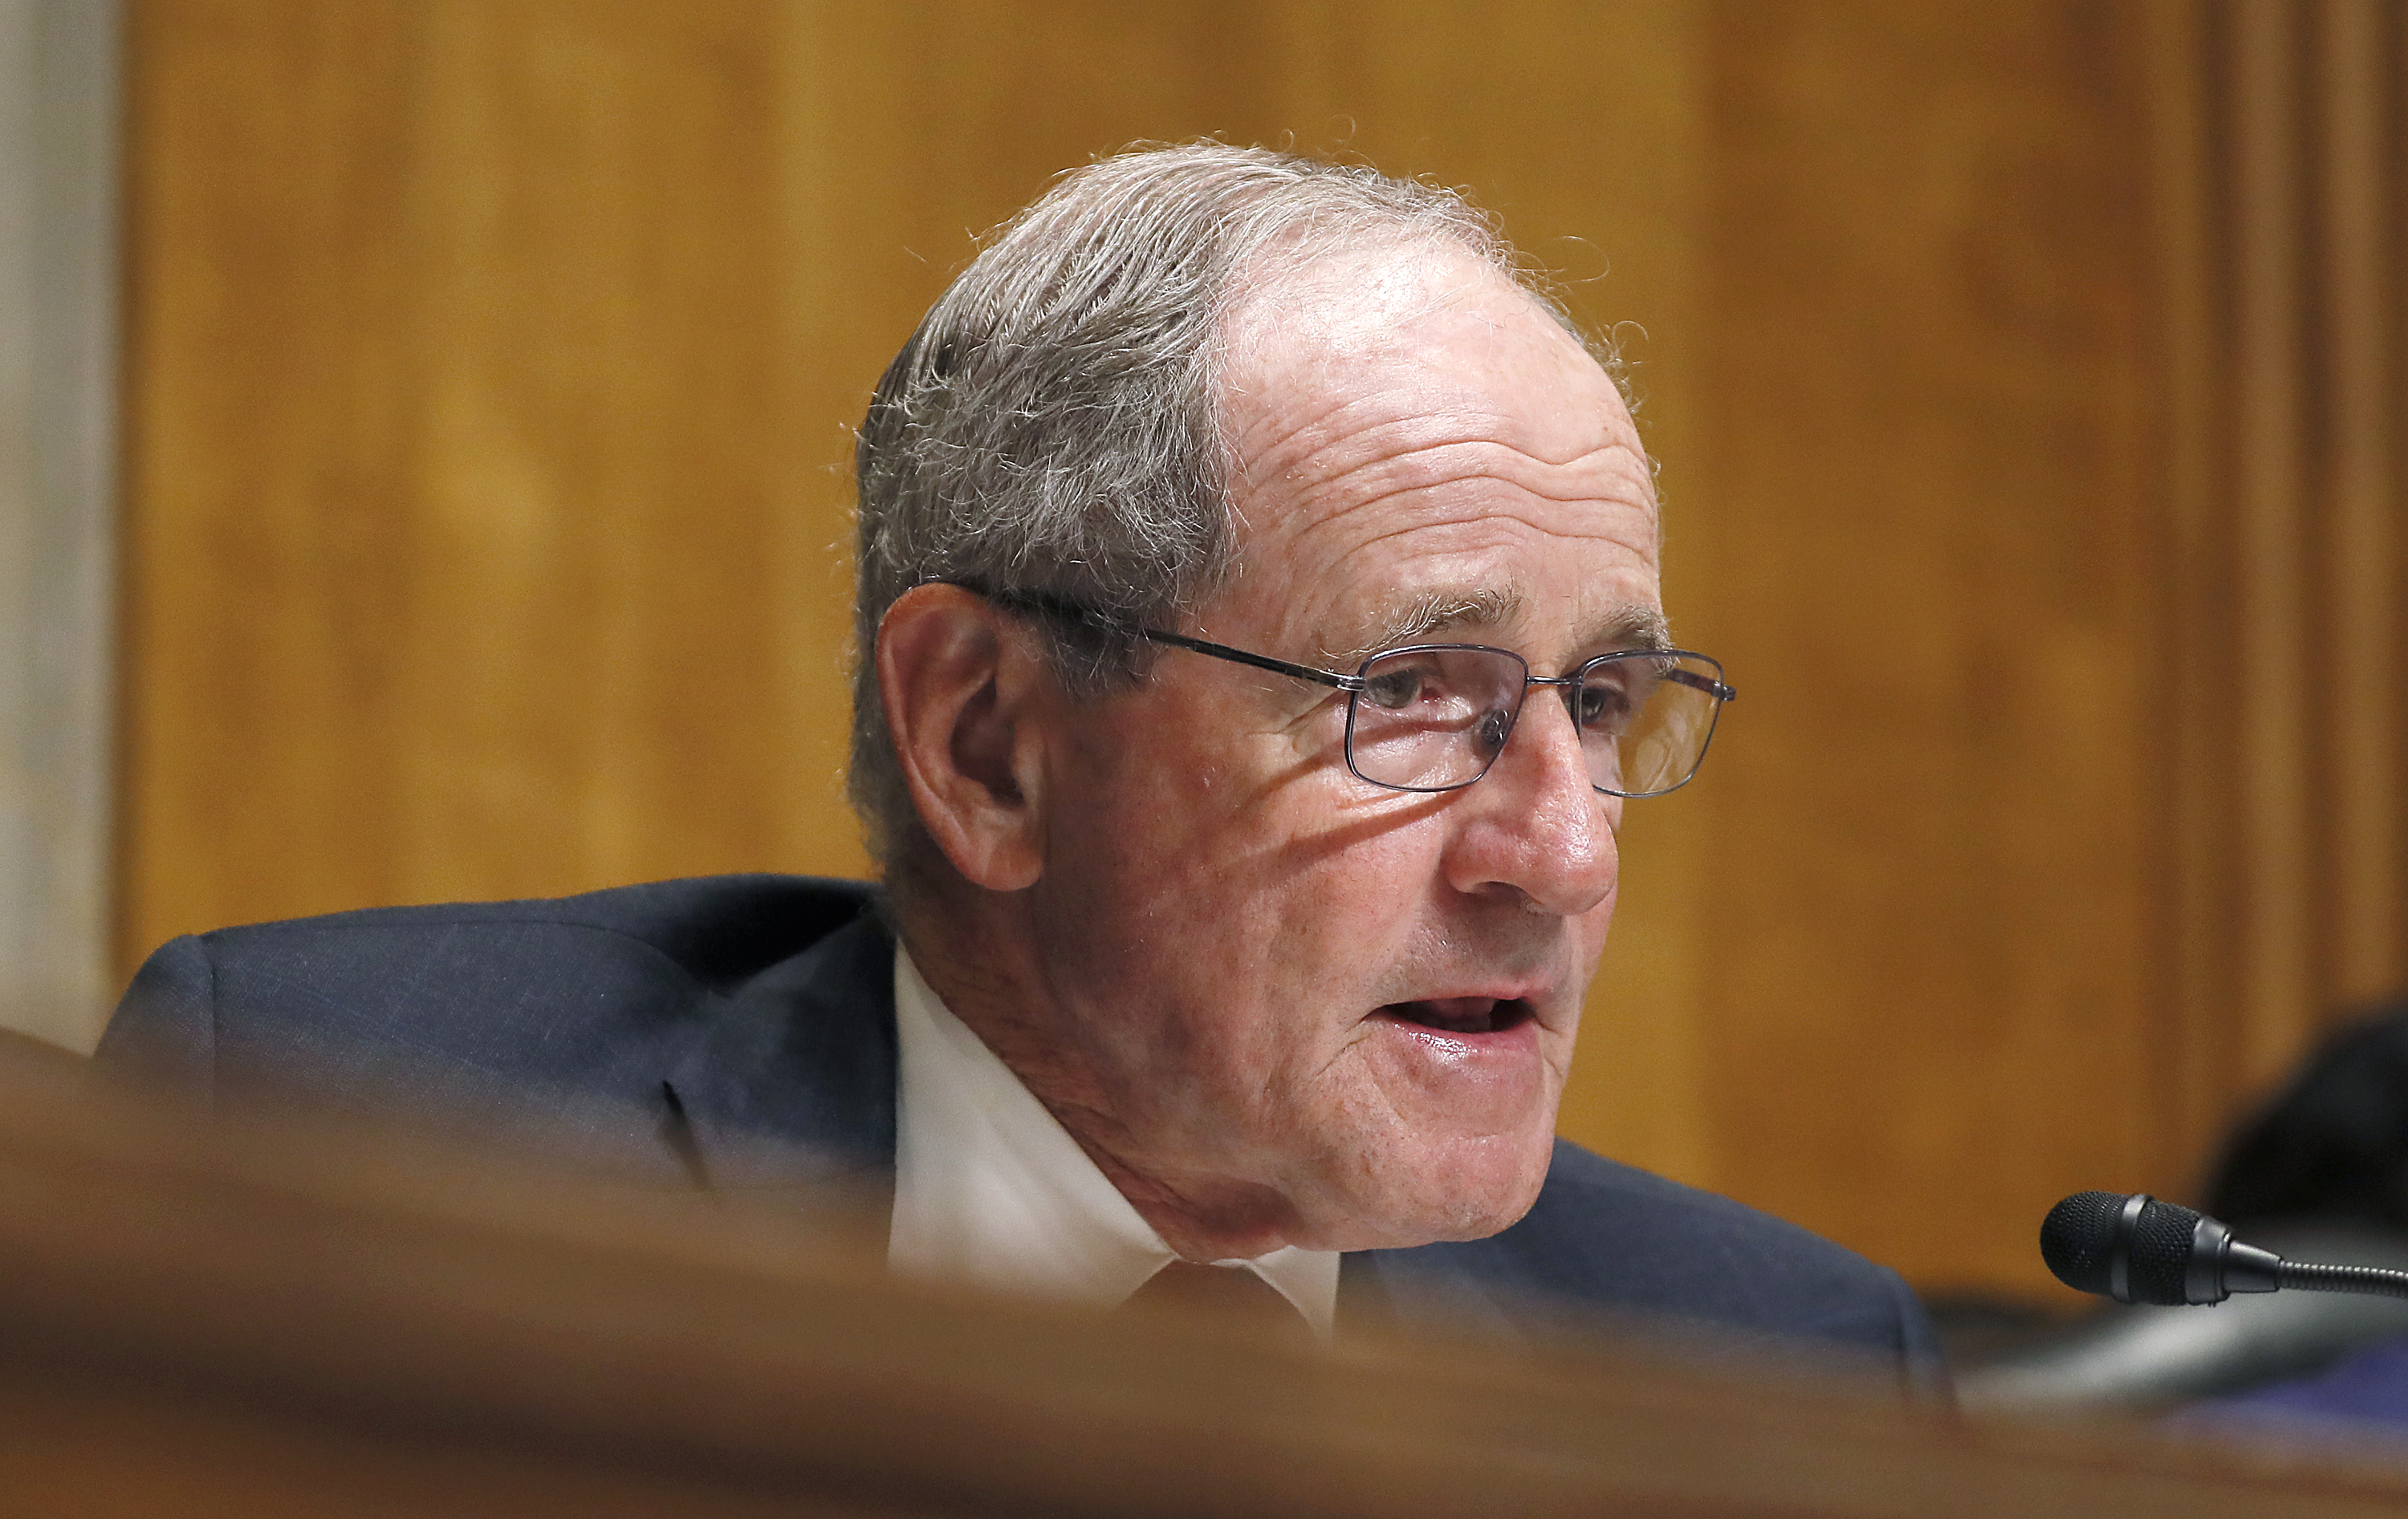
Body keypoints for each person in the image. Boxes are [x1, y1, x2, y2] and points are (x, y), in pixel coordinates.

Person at [99, 143, 1940, 1383]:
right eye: (1411, 695)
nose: (1562, 854)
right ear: (985, 742)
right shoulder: (338, 1155)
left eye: (1600, 709)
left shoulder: (1775, 1379)